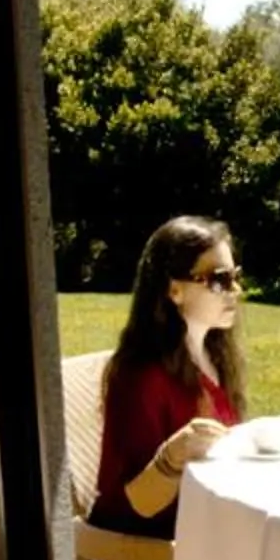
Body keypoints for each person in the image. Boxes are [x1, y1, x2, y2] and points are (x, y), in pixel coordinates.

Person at [90, 215, 247, 536]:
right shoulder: (142, 376)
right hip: (144, 551)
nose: (236, 290)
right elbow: (137, 504)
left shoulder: (215, 358)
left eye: (236, 276)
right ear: (174, 290)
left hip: (207, 527)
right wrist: (173, 455)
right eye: (221, 279)